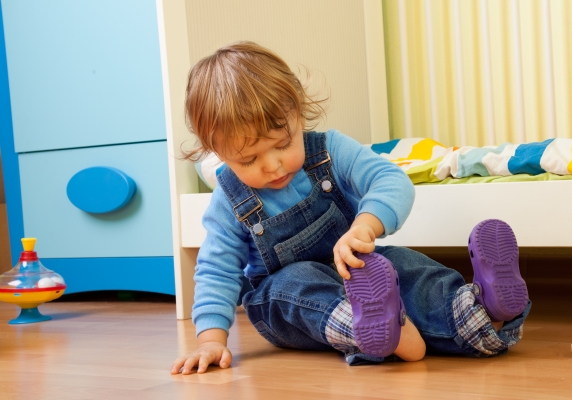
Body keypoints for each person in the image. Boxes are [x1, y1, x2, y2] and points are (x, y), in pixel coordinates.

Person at [171, 41, 531, 374]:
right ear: (219, 153)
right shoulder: (229, 201)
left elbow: (392, 181)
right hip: (285, 298)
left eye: (283, 144)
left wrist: (365, 227)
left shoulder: (329, 151)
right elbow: (216, 271)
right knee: (293, 286)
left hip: (360, 271)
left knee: (405, 267)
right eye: (249, 159)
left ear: (298, 113)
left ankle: (480, 310)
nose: (273, 165)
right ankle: (374, 329)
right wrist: (210, 341)